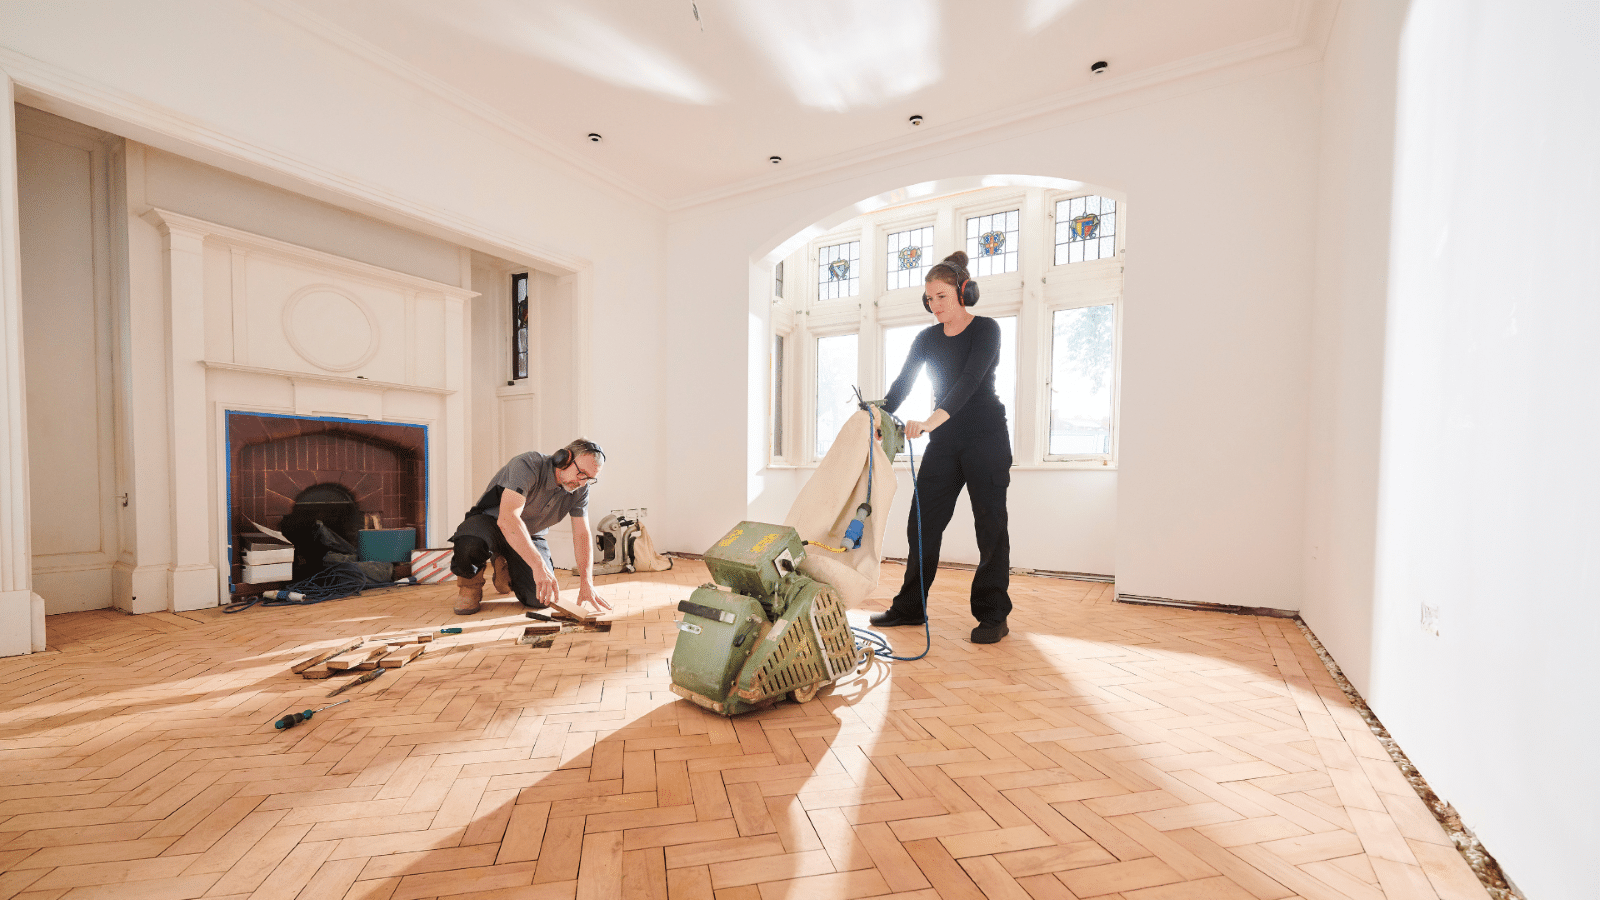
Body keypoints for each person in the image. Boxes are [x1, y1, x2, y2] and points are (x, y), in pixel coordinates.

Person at [872, 251, 1012, 643]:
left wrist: (930, 420)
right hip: (946, 444)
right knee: (922, 523)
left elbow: (968, 382)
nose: (934, 306)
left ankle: (993, 615)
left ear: (964, 293)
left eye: (942, 297)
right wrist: (875, 416)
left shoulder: (987, 330)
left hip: (985, 438)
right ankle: (910, 607)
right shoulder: (926, 339)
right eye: (929, 299)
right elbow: (902, 385)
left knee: (990, 526)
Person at [449, 438, 613, 616]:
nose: (582, 482)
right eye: (582, 473)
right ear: (564, 458)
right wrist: (538, 566)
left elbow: (582, 534)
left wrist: (586, 583)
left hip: (529, 535)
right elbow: (508, 518)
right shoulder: (528, 465)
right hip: (491, 523)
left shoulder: (580, 489)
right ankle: (469, 588)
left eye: (590, 479)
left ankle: (504, 565)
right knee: (469, 541)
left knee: (540, 599)